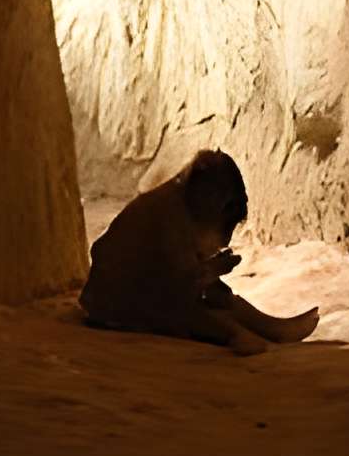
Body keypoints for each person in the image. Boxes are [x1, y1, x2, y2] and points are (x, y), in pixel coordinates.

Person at [79, 148, 320, 355]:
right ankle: (236, 335)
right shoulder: (168, 215)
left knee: (217, 296)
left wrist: (211, 275)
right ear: (215, 202)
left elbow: (179, 276)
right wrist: (212, 270)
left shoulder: (175, 205)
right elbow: (177, 286)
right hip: (114, 305)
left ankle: (273, 328)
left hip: (130, 294)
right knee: (193, 311)